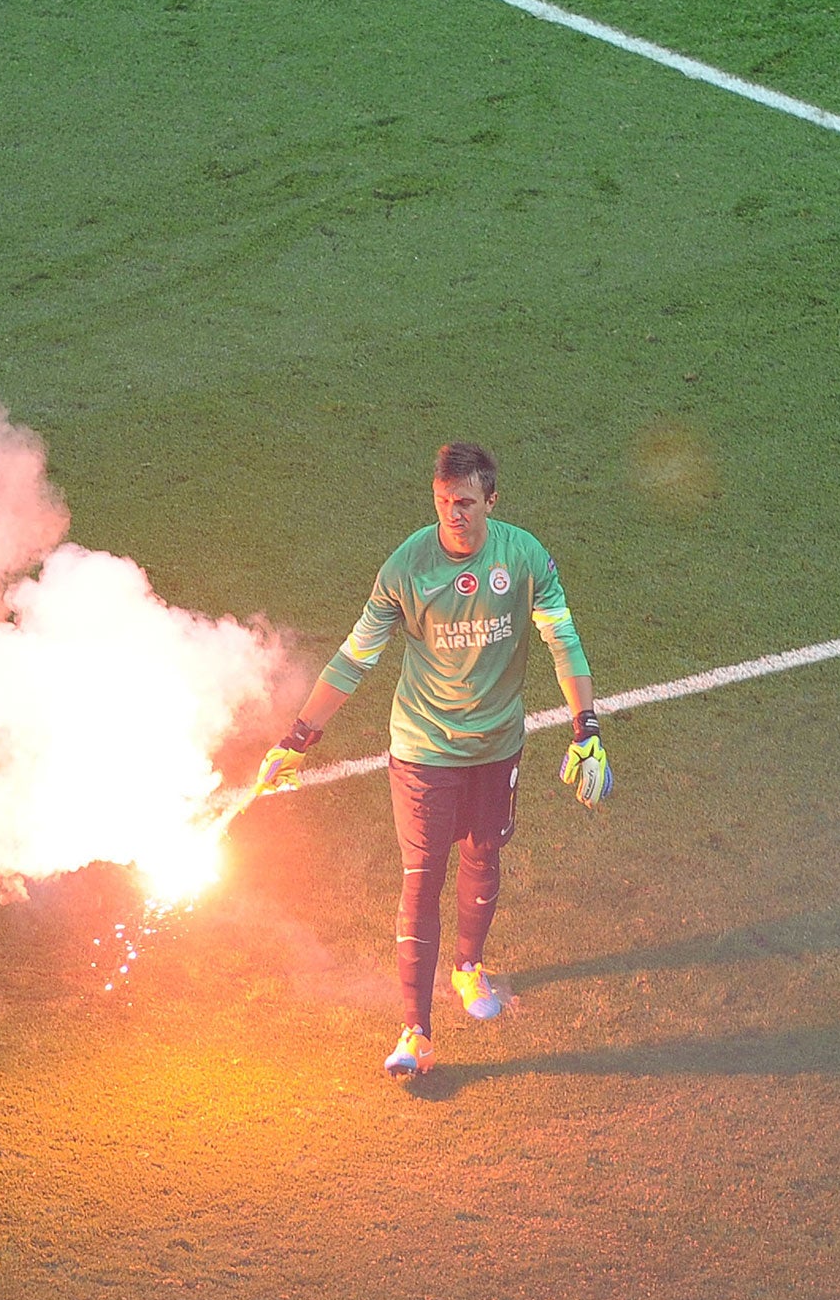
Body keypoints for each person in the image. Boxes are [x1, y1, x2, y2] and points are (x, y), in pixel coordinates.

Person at [252, 442, 610, 1076]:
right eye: (444, 502)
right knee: (422, 877)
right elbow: (353, 658)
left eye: (466, 503)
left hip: (497, 745)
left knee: (483, 851)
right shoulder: (406, 568)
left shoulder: (524, 558)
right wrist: (296, 737)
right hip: (422, 748)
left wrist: (587, 729)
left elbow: (564, 643)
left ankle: (468, 969)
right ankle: (414, 1032)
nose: (454, 515)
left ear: (491, 501)